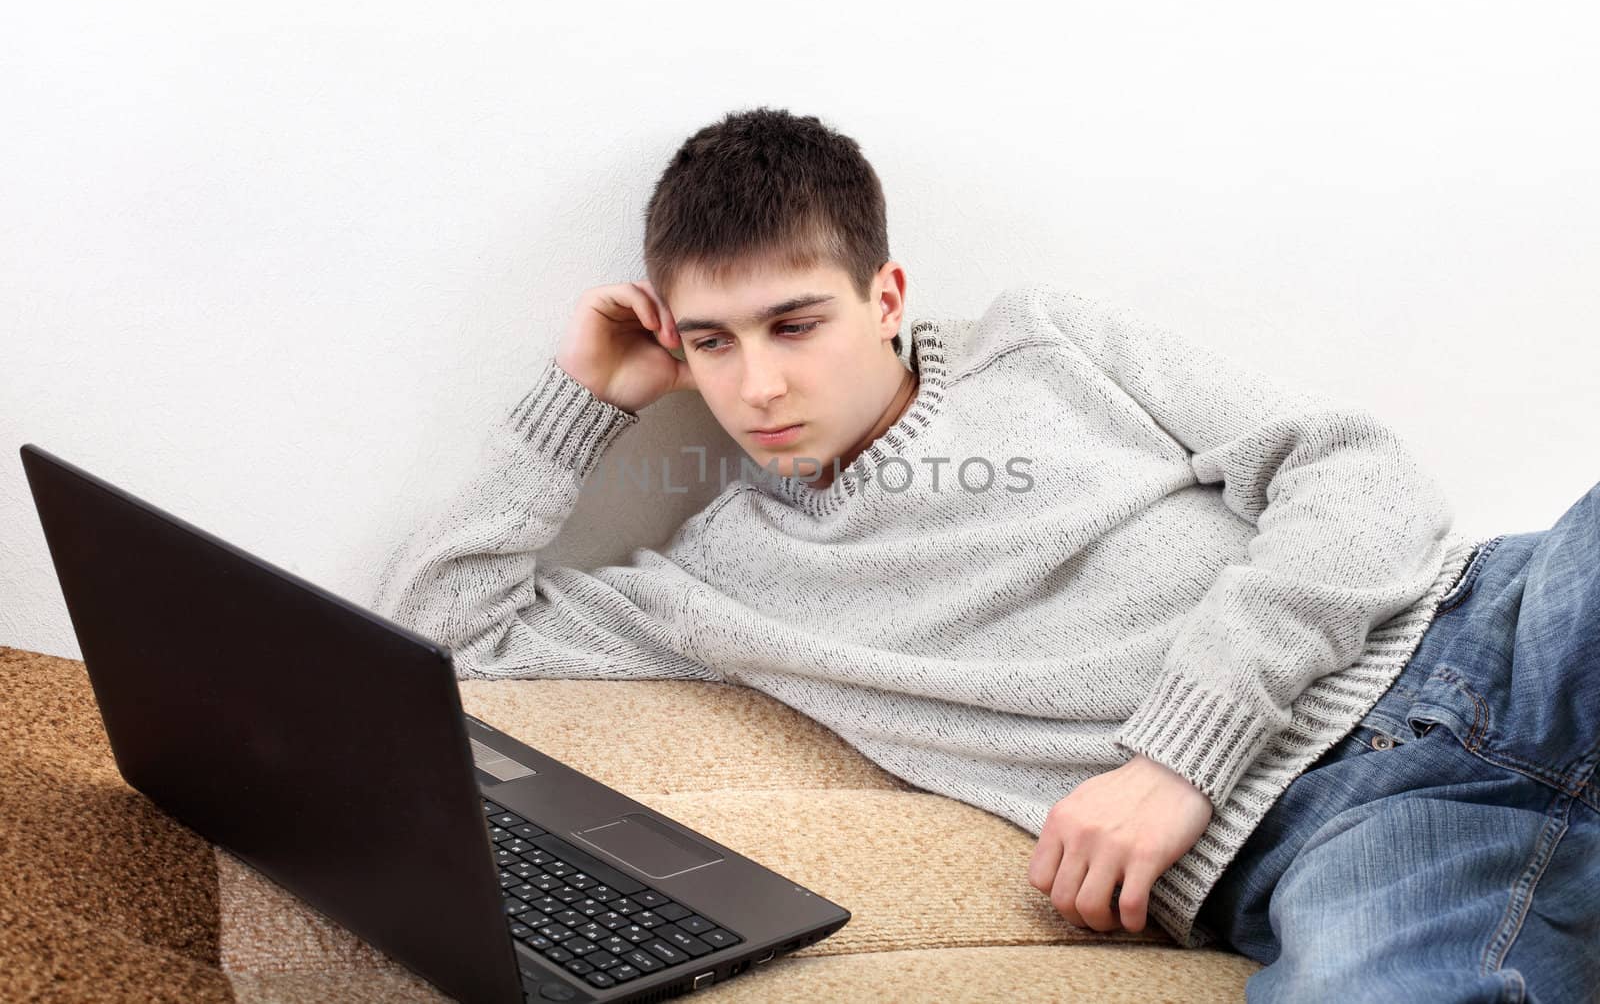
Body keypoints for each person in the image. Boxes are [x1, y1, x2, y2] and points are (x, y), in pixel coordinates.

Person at [371, 106, 1597, 999]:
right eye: (712, 343)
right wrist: (583, 396)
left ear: (886, 295)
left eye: (794, 323)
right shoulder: (713, 582)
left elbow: (1354, 471)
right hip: (1332, 845)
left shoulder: (1043, 341)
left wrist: (1178, 751)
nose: (757, 383)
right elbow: (443, 636)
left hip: (1495, 630)